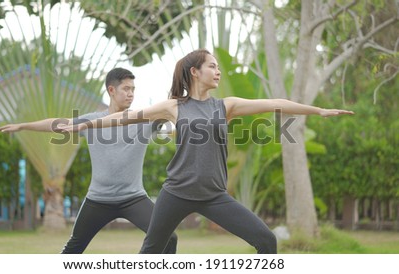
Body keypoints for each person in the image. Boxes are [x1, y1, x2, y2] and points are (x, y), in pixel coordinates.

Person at [57, 49, 354, 254]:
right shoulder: (173, 106)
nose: (218, 71)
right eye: (212, 66)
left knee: (266, 241)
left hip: (214, 195)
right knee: (150, 254)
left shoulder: (226, 106)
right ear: (194, 72)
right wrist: (81, 126)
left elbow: (274, 102)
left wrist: (318, 110)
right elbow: (123, 117)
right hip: (175, 194)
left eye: (217, 66)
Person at [0, 68, 177, 254]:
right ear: (111, 90)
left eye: (133, 89)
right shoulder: (91, 121)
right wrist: (23, 126)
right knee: (73, 249)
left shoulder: (144, 119)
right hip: (98, 200)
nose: (131, 94)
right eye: (126, 89)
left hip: (133, 199)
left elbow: (170, 107)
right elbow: (57, 124)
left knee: (169, 238)